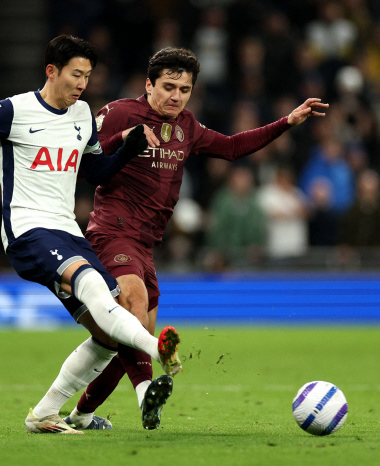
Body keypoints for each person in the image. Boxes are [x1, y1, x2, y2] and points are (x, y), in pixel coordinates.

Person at [0, 35, 182, 435]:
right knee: (95, 287)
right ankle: (155, 347)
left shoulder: (83, 115)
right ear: (51, 71)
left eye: (88, 77)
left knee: (105, 334)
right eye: (76, 74)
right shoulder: (12, 111)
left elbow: (95, 173)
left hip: (67, 232)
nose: (82, 84)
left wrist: (125, 152)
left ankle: (44, 414)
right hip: (27, 230)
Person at [65, 47, 327, 430]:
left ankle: (81, 415)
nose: (176, 96)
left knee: (128, 339)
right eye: (168, 87)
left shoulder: (187, 126)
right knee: (134, 309)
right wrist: (122, 137)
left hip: (145, 243)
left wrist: (286, 121)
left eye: (184, 90)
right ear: (148, 84)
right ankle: (146, 395)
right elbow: (84, 162)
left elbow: (234, 147)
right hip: (112, 230)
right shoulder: (119, 112)